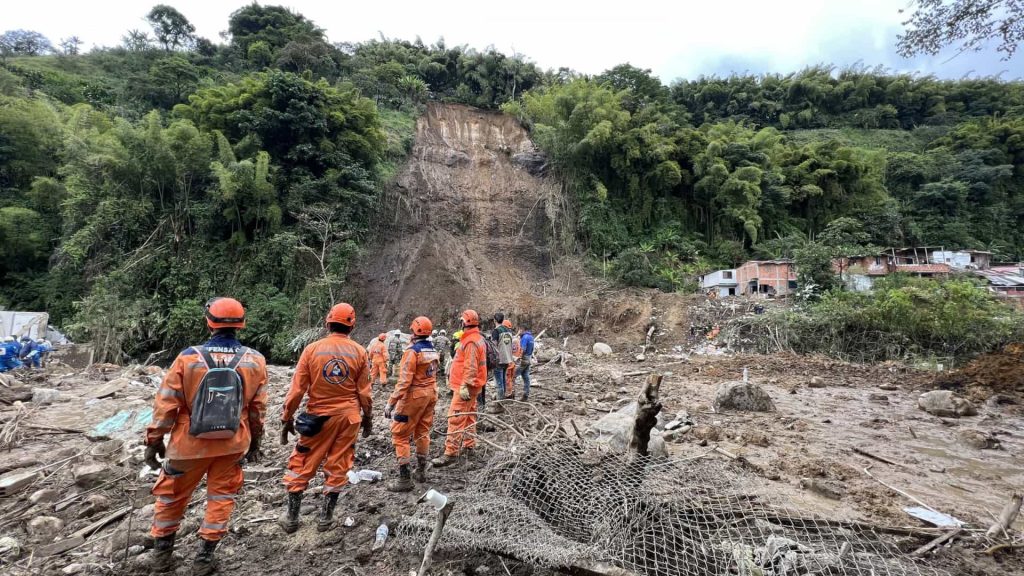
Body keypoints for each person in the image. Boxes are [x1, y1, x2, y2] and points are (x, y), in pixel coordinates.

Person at [144, 297, 268, 575]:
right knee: (221, 497)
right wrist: (255, 442)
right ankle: (204, 558)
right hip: (232, 442)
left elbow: (167, 403)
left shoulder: (188, 357)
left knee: (170, 497)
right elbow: (257, 411)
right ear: (242, 325)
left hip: (187, 445)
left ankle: (161, 556)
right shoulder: (255, 360)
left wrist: (154, 440)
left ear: (208, 322)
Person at [279, 303, 372, 534]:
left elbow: (297, 389)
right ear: (352, 326)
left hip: (318, 417)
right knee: (339, 464)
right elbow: (364, 393)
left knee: (301, 462)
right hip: (349, 418)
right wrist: (368, 417)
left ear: (327, 323)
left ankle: (291, 518)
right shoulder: (360, 352)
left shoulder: (312, 350)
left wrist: (286, 417)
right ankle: (325, 519)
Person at [385, 316, 439, 492]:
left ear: (414, 331)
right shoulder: (432, 350)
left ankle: (405, 479)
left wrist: (391, 402)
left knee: (400, 434)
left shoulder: (412, 351)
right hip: (431, 394)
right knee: (422, 432)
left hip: (414, 397)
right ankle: (421, 471)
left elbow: (404, 381)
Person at [432, 309, 486, 467]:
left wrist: (464, 385)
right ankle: (469, 445)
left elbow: (471, 366)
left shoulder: (470, 341)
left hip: (466, 387)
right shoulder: (475, 338)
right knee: (469, 416)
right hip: (473, 386)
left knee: (455, 418)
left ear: (464, 322)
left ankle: (451, 453)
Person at [490, 312, 514, 400]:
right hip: (508, 359)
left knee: (499, 382)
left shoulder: (496, 331)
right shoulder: (508, 330)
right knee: (503, 379)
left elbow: (493, 346)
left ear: (494, 320)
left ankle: (500, 402)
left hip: (499, 359)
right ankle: (503, 397)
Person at [516, 327, 535, 401]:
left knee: (512, 376)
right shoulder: (531, 337)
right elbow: (532, 349)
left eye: (519, 330)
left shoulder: (525, 337)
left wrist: (518, 358)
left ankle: (511, 394)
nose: (518, 331)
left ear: (522, 329)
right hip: (528, 358)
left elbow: (522, 349)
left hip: (523, 359)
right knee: (526, 376)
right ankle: (526, 394)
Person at [504, 319, 518, 399]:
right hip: (513, 362)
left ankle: (509, 394)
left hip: (508, 362)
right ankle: (513, 392)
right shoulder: (513, 338)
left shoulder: (505, 338)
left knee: (508, 379)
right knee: (512, 379)